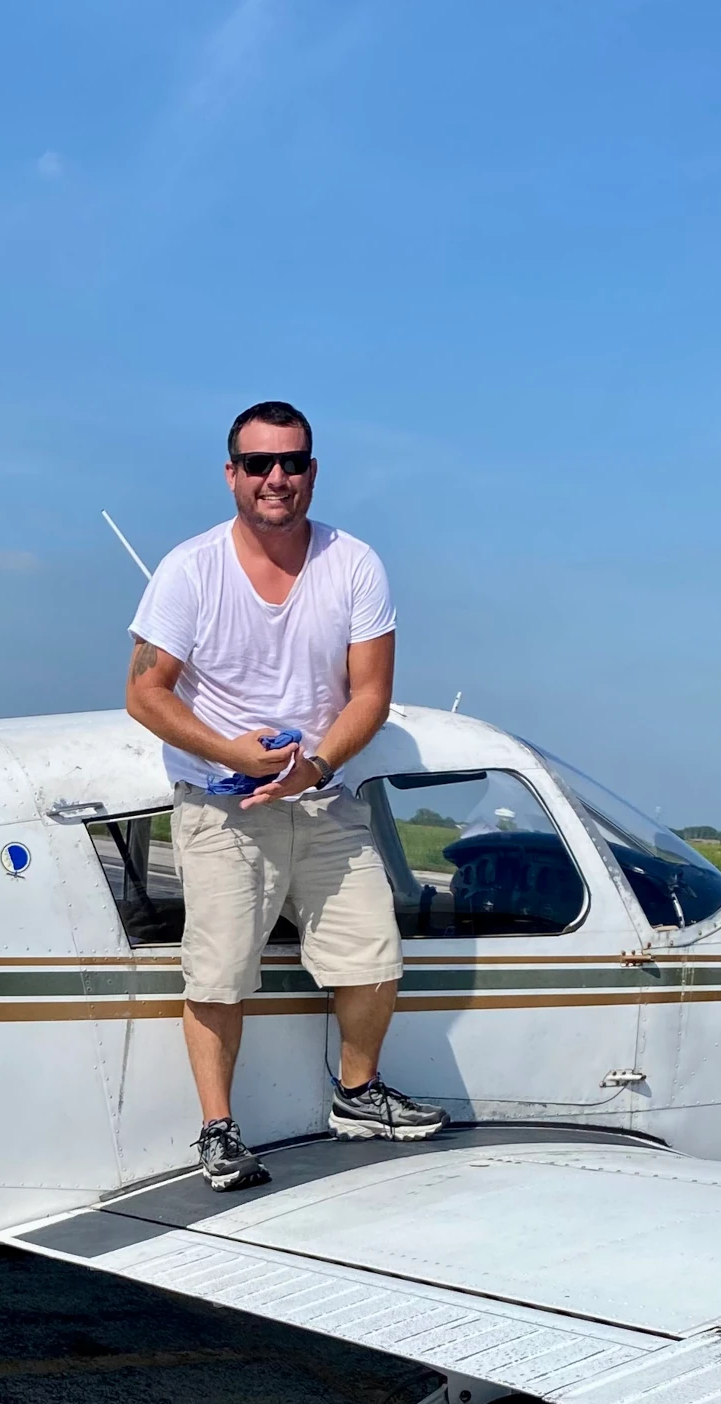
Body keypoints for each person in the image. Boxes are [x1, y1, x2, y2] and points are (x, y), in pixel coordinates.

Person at [125, 399, 448, 1190]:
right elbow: (144, 693)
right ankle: (217, 1128)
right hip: (221, 802)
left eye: (293, 463)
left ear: (311, 473)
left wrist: (316, 765)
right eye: (260, 464)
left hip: (321, 798)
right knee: (219, 970)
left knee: (374, 953)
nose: (277, 478)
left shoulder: (354, 563)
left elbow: (369, 692)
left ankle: (357, 1092)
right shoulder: (189, 568)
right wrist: (229, 751)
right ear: (231, 474)